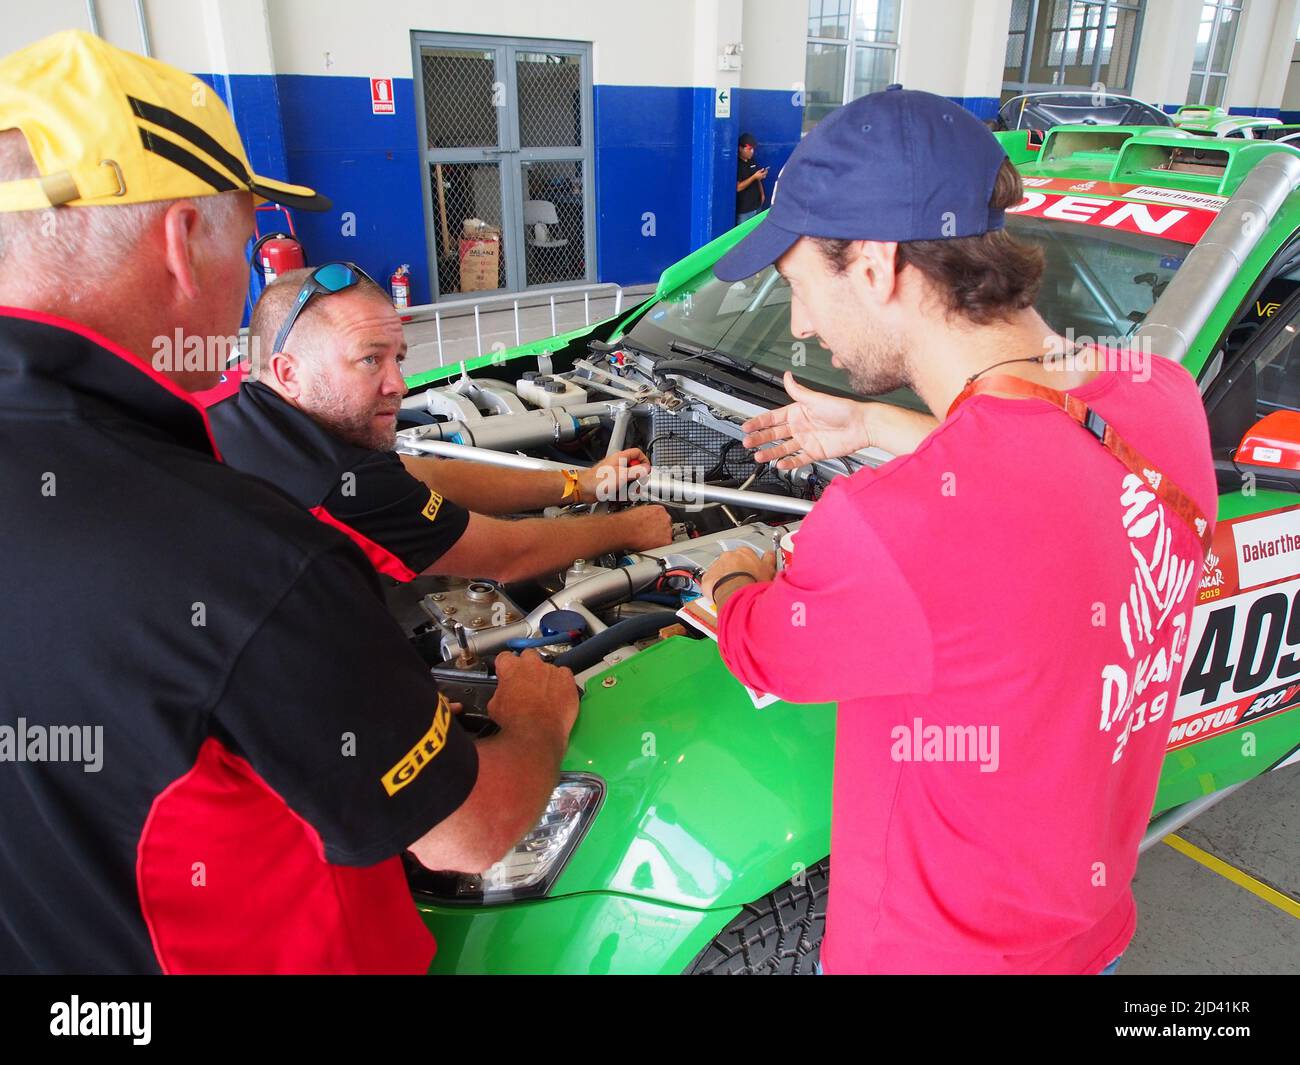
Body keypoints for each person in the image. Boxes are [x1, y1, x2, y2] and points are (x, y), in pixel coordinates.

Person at [0, 29, 578, 975]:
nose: (247, 285)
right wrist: (537, 713)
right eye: (246, 248)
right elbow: (465, 833)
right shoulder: (241, 556)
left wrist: (575, 482)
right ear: (185, 243)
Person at [699, 87, 1217, 974]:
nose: (801, 325)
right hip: (1091, 940)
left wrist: (730, 571)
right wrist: (876, 427)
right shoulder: (1165, 399)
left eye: (798, 286)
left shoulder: (884, 527)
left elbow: (762, 648)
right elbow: (1050, 462)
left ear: (874, 265)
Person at [208, 268, 673, 584]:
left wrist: (579, 483)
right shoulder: (331, 482)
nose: (398, 384)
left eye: (399, 358)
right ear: (288, 371)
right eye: (370, 359)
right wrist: (629, 529)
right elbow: (507, 556)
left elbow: (422, 474)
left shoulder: (225, 396)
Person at [736, 132, 768, 225]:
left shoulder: (752, 161)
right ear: (740, 148)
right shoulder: (737, 164)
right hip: (745, 210)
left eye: (753, 149)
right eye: (749, 149)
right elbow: (738, 187)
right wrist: (754, 177)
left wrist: (762, 194)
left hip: (757, 206)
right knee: (743, 237)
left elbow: (757, 179)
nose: (752, 151)